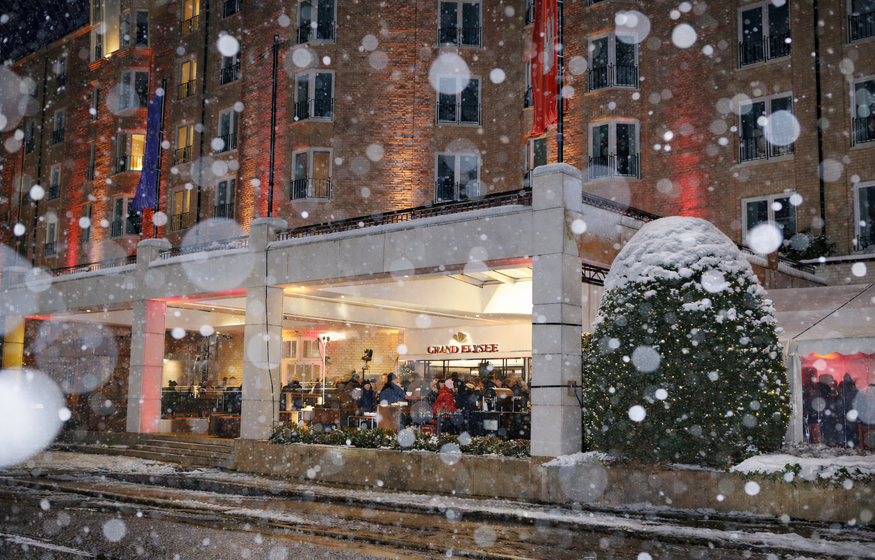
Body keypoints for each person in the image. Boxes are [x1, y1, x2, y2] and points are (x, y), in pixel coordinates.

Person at [839, 373, 860, 448]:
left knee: (851, 432)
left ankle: (852, 445)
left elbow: (859, 403)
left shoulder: (853, 391)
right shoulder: (841, 389)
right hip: (845, 415)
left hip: (851, 415)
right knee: (847, 432)